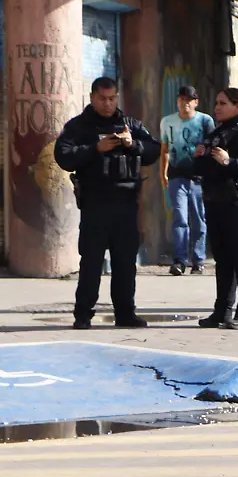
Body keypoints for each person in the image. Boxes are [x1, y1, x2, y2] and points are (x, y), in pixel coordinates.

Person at [54, 76, 160, 330]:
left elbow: (154, 150)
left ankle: (125, 314)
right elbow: (63, 156)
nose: (108, 104)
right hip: (96, 204)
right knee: (91, 262)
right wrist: (95, 148)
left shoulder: (130, 124)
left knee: (125, 263)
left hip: (126, 204)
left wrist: (132, 144)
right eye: (102, 99)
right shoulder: (79, 126)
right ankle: (83, 315)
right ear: (92, 97)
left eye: (112, 98)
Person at [193, 88, 238, 330]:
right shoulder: (216, 133)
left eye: (223, 103)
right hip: (216, 201)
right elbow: (203, 169)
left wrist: (229, 161)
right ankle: (222, 311)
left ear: (237, 106)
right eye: (216, 103)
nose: (217, 107)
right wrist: (198, 157)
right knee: (222, 258)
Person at [160, 85, 216, 276]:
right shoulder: (167, 122)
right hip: (177, 175)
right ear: (177, 101)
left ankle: (198, 260)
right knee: (180, 218)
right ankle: (179, 260)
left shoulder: (205, 121)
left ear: (196, 102)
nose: (185, 103)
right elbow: (165, 148)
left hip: (199, 177)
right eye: (182, 99)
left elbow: (213, 146)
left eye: (189, 99)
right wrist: (163, 173)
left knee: (199, 219)